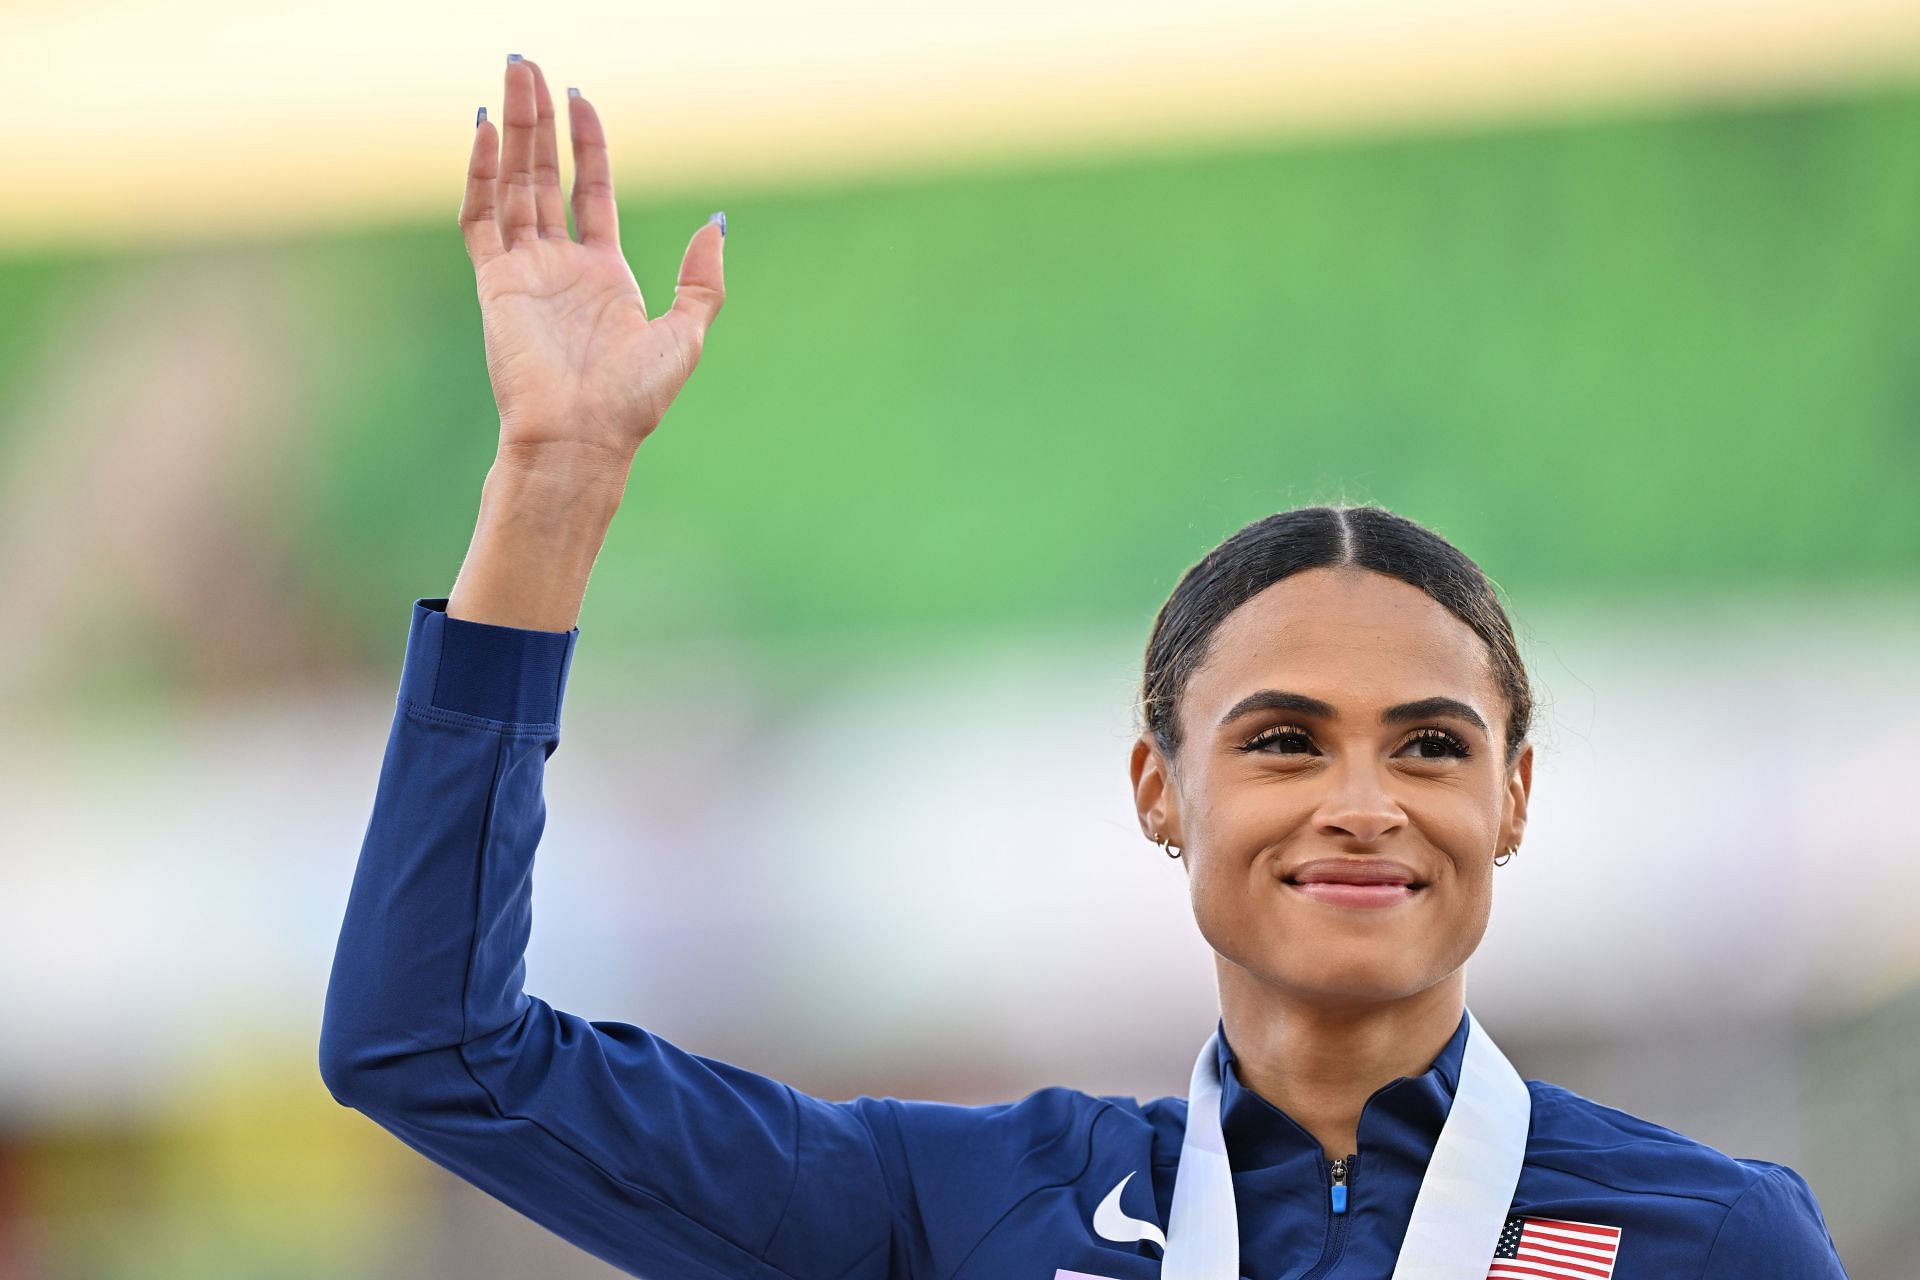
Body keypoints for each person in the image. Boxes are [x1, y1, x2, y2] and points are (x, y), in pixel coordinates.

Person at [318, 53, 1851, 1280]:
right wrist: (558, 481)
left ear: (1515, 798)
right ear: (1158, 792)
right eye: (1282, 741)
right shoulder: (956, 1210)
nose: (1364, 802)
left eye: (1434, 746)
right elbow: (435, 1049)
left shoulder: (1715, 1241)